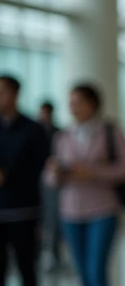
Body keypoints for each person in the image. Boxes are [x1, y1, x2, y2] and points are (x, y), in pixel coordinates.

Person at [44, 83, 125, 286]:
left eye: (79, 102)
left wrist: (94, 172)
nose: (73, 107)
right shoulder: (63, 136)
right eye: (70, 102)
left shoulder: (109, 132)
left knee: (97, 271)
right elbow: (48, 180)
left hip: (103, 210)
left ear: (93, 104)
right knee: (83, 274)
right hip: (72, 212)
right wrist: (55, 174)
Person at [0, 76, 51, 286]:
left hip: (24, 210)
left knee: (26, 267)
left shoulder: (32, 130)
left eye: (3, 92)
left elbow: (44, 169)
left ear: (16, 94)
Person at [38, 101, 65, 271]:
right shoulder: (34, 131)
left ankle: (55, 257)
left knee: (54, 219)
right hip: (37, 182)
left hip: (52, 183)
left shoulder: (58, 133)